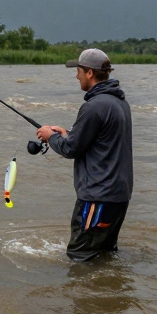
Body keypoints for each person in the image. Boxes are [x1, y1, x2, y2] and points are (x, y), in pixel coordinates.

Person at [35, 49, 133, 262]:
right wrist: (66, 134)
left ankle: (87, 294)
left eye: (78, 71)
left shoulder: (94, 106)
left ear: (89, 73)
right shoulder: (119, 103)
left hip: (98, 196)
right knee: (105, 254)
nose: (76, 76)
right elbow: (100, 141)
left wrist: (50, 137)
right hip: (118, 195)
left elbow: (70, 149)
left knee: (80, 256)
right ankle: (111, 292)